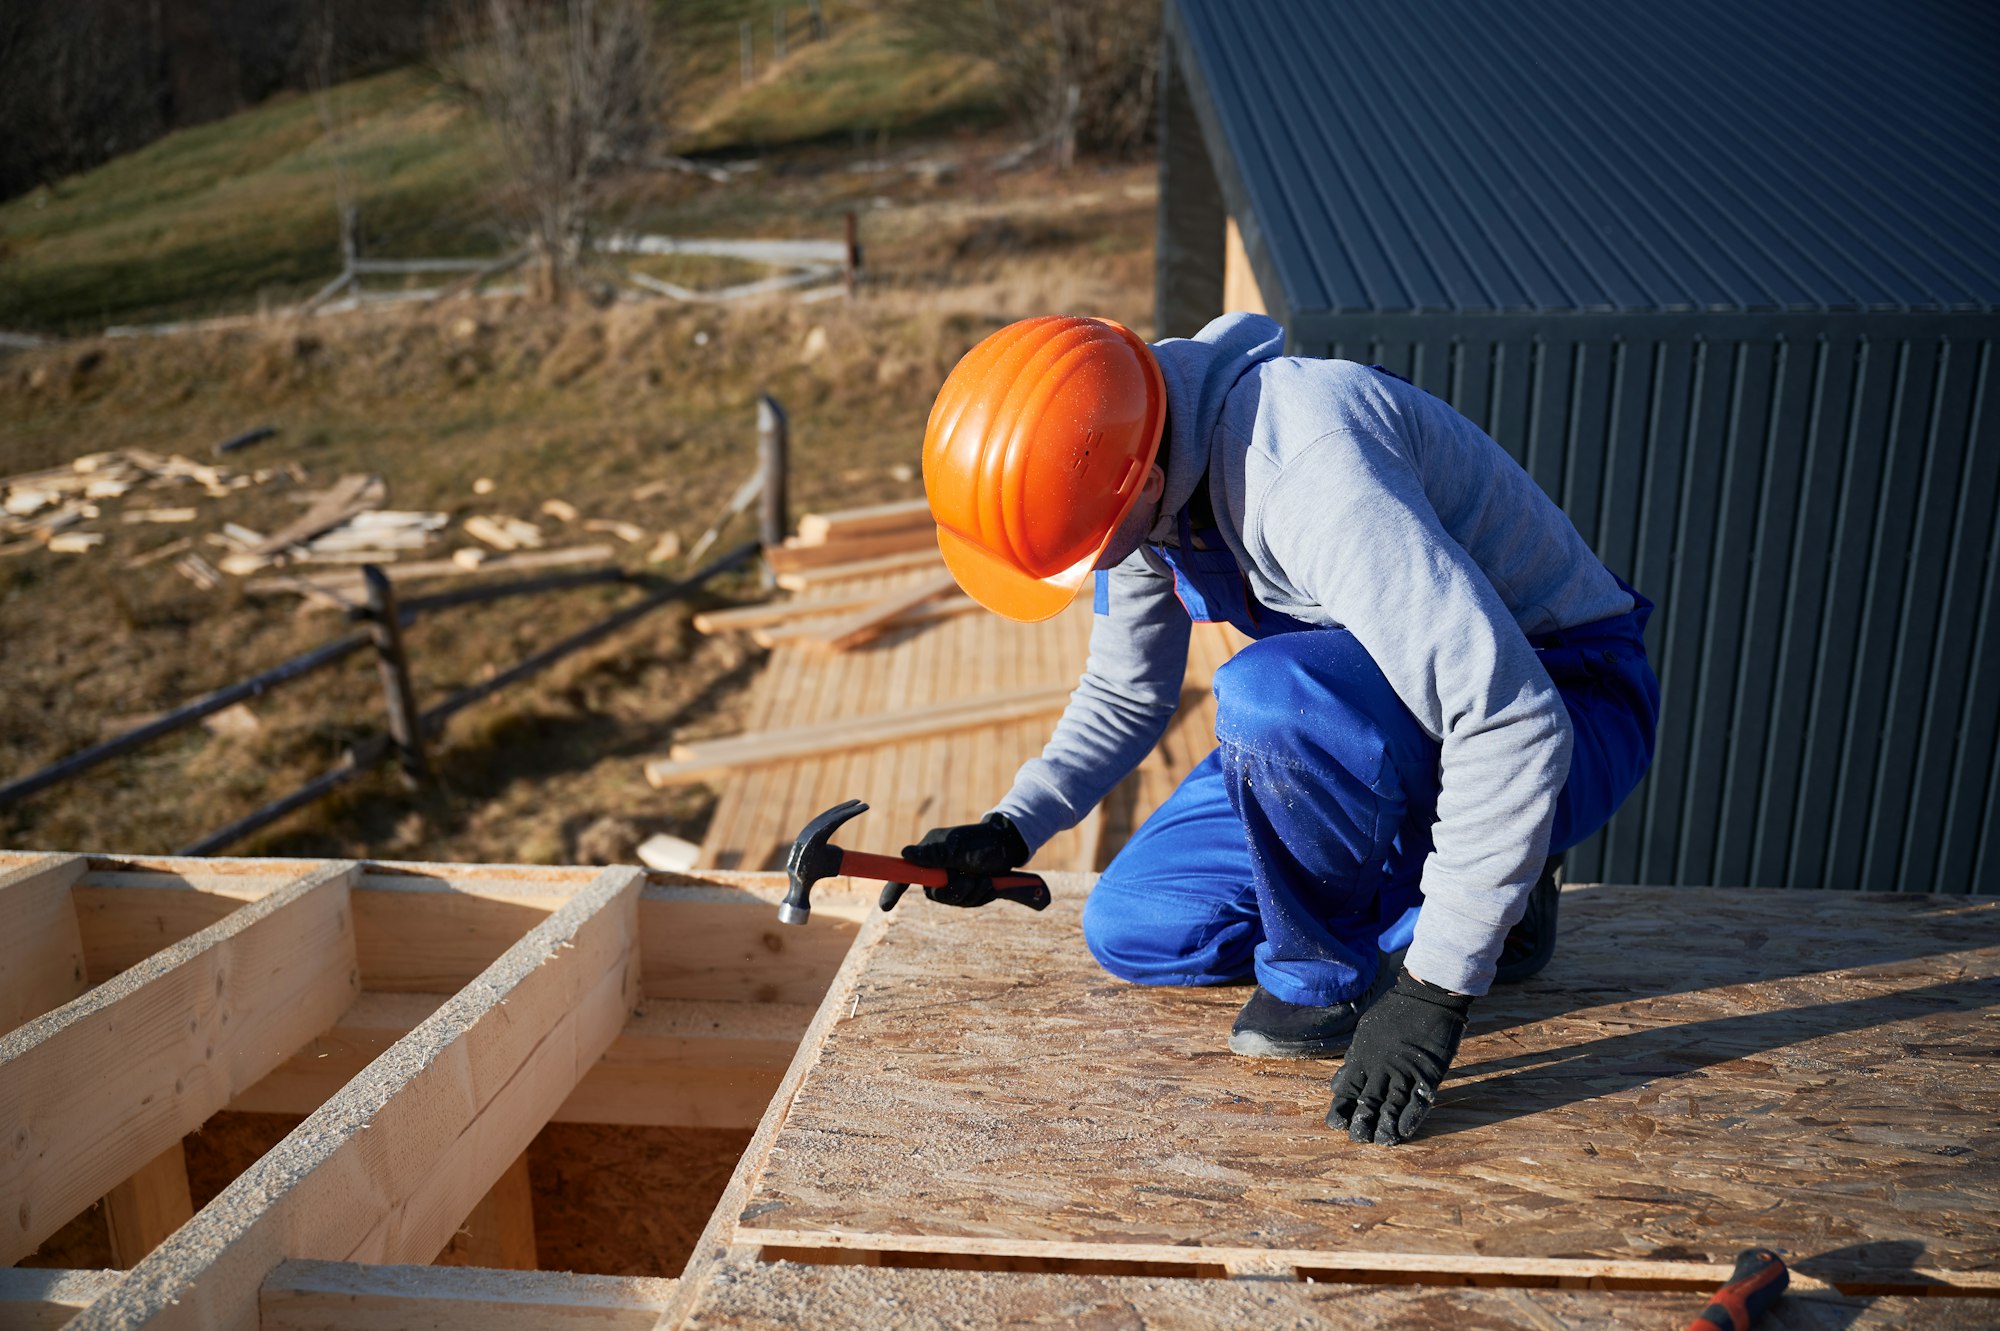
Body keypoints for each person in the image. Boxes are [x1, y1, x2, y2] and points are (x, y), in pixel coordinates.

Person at [901, 312, 1659, 1146]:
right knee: (1138, 923)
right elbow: (1126, 692)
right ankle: (1471, 888)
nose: (1087, 573)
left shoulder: (1306, 471)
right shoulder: (1134, 460)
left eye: (1082, 553)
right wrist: (1012, 825)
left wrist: (1433, 990)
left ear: (1144, 483)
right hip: (1385, 711)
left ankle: (1349, 966)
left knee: (1267, 695)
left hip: (1564, 704)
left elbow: (1515, 721)